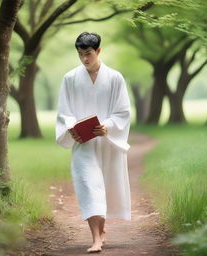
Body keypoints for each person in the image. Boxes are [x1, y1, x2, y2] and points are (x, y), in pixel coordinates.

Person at [55, 32, 131, 253]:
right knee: (89, 185)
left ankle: (103, 230)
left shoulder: (115, 78)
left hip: (107, 141)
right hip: (84, 143)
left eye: (88, 54)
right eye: (80, 54)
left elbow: (123, 111)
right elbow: (64, 111)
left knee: (104, 187)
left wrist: (107, 126)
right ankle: (96, 238)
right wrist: (71, 128)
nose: (84, 59)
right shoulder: (70, 79)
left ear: (98, 51)